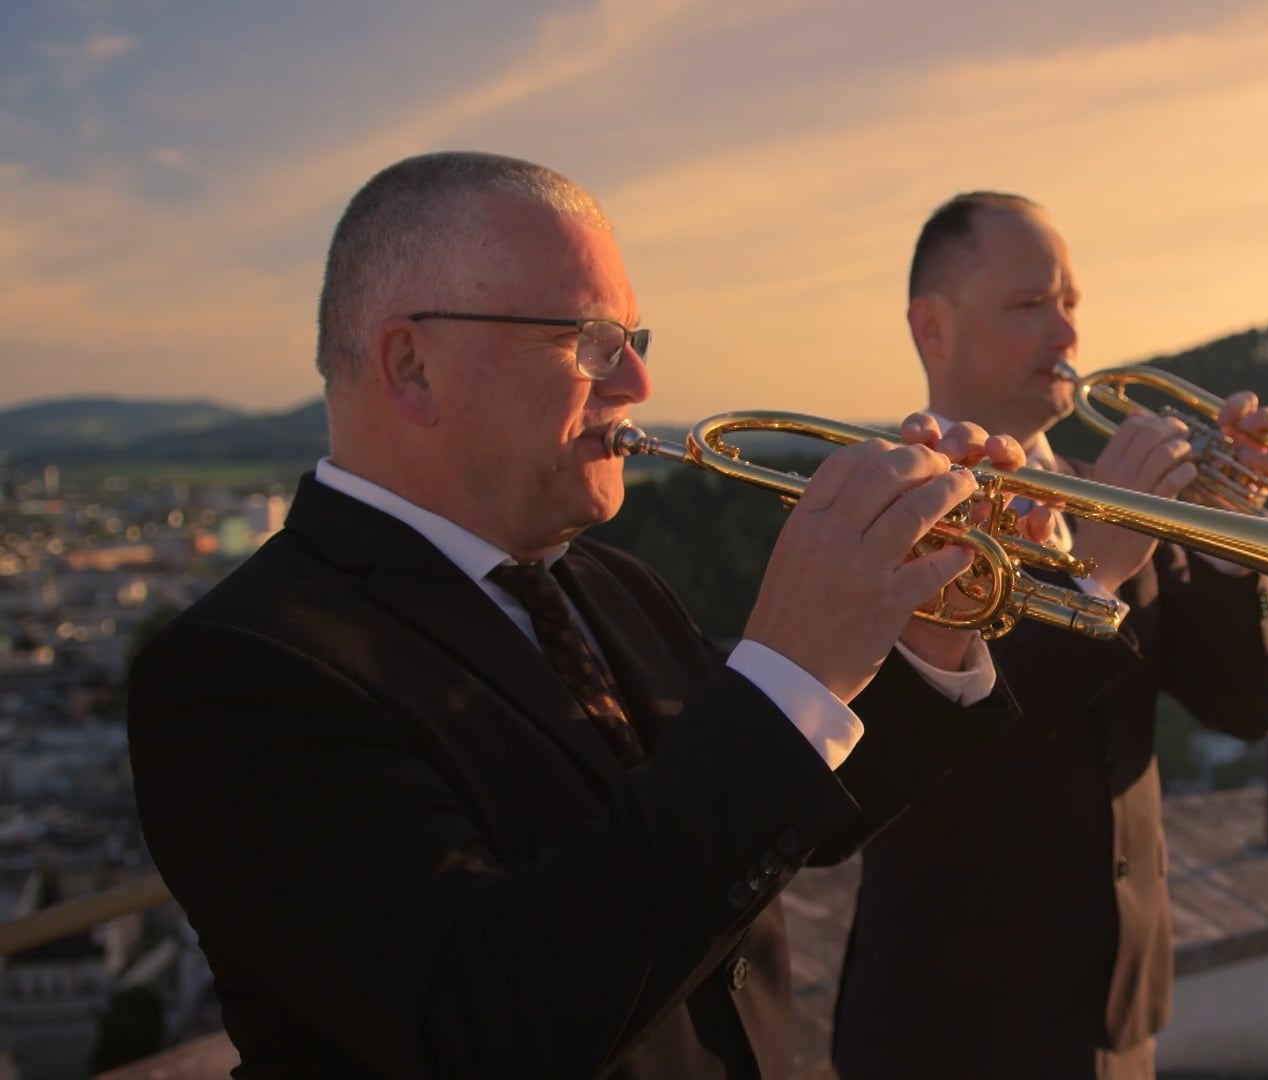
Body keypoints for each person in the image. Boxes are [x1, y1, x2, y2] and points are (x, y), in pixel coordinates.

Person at [125, 153, 1050, 1079]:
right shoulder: (233, 670)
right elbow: (482, 1022)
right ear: (411, 365)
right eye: (590, 340)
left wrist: (925, 620)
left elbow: (776, 819)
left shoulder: (611, 583)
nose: (639, 382)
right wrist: (787, 672)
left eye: (634, 337)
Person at [825, 192, 1268, 1079]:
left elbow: (1246, 706)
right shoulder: (878, 510)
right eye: (1029, 304)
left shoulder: (1104, 491)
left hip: (1121, 1019)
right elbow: (893, 771)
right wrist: (1094, 581)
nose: (1067, 333)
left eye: (1071, 302)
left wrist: (1240, 531)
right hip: (953, 1032)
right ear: (933, 329)